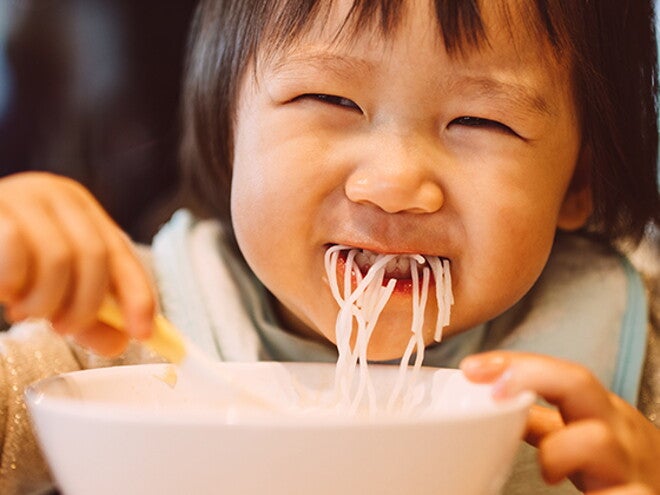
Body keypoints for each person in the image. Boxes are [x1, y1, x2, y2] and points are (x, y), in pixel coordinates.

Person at [0, 0, 658, 493]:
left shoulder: (636, 348)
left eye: (479, 120)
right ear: (230, 128)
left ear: (580, 180)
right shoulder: (122, 328)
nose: (394, 185)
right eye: (330, 97)